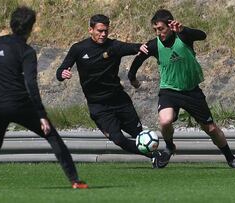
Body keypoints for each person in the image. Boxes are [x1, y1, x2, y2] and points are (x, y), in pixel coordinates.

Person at [0, 6, 88, 190]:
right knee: (52, 136)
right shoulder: (27, 52)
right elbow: (31, 85)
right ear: (31, 28)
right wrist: (41, 115)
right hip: (17, 104)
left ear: (11, 24)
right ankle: (75, 181)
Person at [128, 9, 235, 169]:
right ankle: (169, 147)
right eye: (155, 30)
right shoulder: (154, 44)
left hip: (191, 91)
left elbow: (202, 35)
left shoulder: (183, 36)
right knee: (165, 121)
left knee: (210, 128)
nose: (158, 33)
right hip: (169, 90)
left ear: (170, 25)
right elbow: (138, 59)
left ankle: (230, 158)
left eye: (161, 29)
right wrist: (132, 77)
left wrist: (185, 30)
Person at [56, 14, 169, 168]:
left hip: (120, 100)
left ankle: (157, 155)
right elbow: (61, 70)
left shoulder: (114, 47)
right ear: (90, 30)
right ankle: (154, 155)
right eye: (100, 31)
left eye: (106, 31)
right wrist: (62, 74)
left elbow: (133, 47)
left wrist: (141, 47)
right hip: (98, 105)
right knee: (118, 139)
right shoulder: (78, 49)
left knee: (139, 135)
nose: (103, 34)